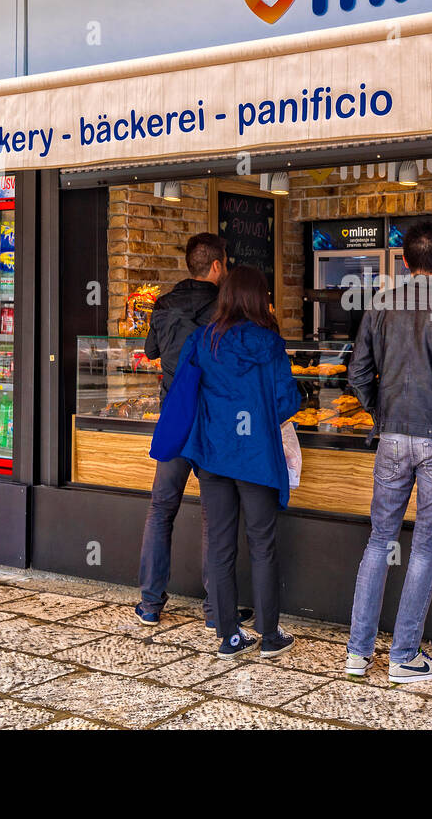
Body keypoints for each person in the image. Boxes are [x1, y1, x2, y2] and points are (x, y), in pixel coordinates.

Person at [344, 221, 432, 683]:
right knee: (424, 546)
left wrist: (383, 415)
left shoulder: (380, 306)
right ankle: (403, 656)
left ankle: (358, 654)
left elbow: (358, 376)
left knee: (380, 539)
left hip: (393, 436)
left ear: (403, 261)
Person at [179, 264, 300, 658]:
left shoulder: (201, 340)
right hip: (257, 456)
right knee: (263, 543)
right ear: (258, 298)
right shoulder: (270, 344)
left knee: (219, 544)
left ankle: (229, 634)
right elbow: (287, 402)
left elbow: (185, 391)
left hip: (213, 454)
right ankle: (269, 636)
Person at [135, 233, 251, 631]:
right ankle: (216, 611)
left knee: (161, 508)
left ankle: (150, 603)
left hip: (174, 419)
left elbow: (150, 352)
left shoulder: (164, 304)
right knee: (213, 516)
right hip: (213, 423)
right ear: (217, 266)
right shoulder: (226, 307)